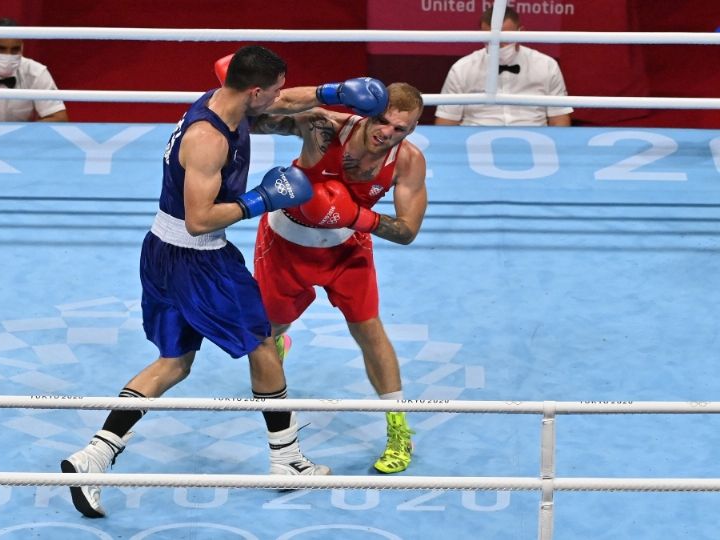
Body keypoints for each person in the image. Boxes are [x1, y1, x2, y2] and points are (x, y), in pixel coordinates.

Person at [60, 45, 389, 518]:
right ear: (254, 90)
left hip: (161, 251)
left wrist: (332, 92)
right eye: (272, 90)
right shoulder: (209, 139)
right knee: (262, 345)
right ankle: (288, 459)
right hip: (199, 258)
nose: (279, 97)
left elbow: (288, 101)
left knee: (173, 363)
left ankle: (93, 456)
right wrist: (262, 199)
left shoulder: (227, 100)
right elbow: (198, 219)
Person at [251, 82, 427, 474]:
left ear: (412, 130)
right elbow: (255, 118)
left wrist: (356, 216)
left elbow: (408, 230)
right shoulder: (325, 126)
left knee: (370, 332)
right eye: (382, 121)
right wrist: (324, 93)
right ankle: (279, 343)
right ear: (369, 112)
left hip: (347, 248)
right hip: (285, 243)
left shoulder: (408, 161)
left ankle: (399, 429)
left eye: (400, 129)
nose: (387, 133)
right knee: (269, 331)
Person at [435, 7, 573, 126]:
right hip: (476, 144)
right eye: (490, 39)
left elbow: (559, 119)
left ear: (521, 33)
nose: (498, 45)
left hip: (534, 139)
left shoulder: (547, 65)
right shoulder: (461, 69)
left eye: (504, 38)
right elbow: (447, 121)